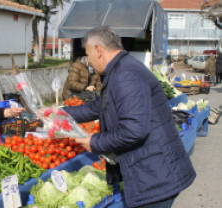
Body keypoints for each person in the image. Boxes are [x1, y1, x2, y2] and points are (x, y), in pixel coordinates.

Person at [63, 26, 196, 208]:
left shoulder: (125, 75)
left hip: (155, 177)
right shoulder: (121, 69)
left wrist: (94, 141)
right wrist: (60, 114)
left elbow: (134, 130)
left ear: (98, 50)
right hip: (155, 172)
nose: (89, 62)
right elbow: (99, 106)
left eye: (88, 55)